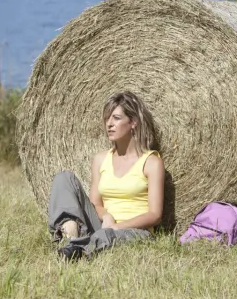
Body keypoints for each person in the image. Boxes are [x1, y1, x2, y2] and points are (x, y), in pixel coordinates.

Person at [48, 91, 165, 262]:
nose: (109, 124)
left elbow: (155, 215)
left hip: (135, 231)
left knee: (108, 237)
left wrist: (117, 227)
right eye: (107, 119)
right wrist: (106, 216)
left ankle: (76, 249)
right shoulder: (101, 159)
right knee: (64, 178)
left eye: (116, 118)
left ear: (133, 122)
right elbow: (96, 203)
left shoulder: (151, 162)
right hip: (103, 224)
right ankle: (70, 233)